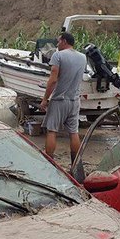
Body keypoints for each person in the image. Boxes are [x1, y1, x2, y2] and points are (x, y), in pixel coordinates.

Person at [40, 31, 87, 162]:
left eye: (58, 41)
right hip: (75, 101)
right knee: (73, 132)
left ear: (64, 41)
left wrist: (45, 99)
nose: (57, 43)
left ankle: (49, 163)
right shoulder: (83, 57)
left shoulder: (58, 55)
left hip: (59, 100)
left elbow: (53, 79)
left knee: (51, 130)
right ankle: (76, 164)